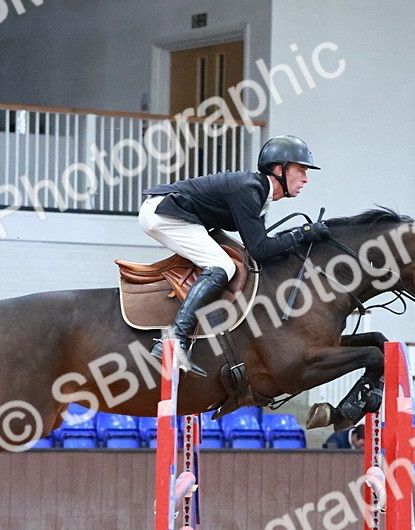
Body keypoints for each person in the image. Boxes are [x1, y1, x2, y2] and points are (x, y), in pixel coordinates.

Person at [138, 134, 331, 376]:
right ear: (280, 169)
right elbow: (260, 249)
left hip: (174, 214)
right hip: (163, 212)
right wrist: (301, 234)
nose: (305, 179)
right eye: (301, 170)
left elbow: (261, 247)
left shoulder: (259, 194)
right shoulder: (248, 190)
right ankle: (175, 339)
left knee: (227, 262)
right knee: (222, 266)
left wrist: (299, 236)